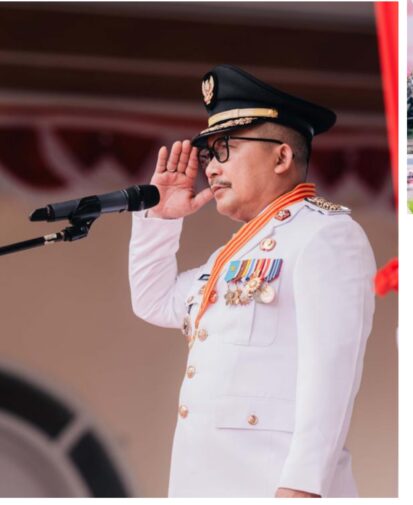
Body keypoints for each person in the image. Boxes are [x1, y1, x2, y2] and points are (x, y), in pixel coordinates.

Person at [128, 64, 376, 497]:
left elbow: (332, 374)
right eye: (210, 153)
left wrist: (301, 487)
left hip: (274, 486)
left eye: (226, 149)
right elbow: (153, 300)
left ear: (281, 156)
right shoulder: (228, 258)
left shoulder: (325, 235)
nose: (210, 167)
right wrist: (160, 219)